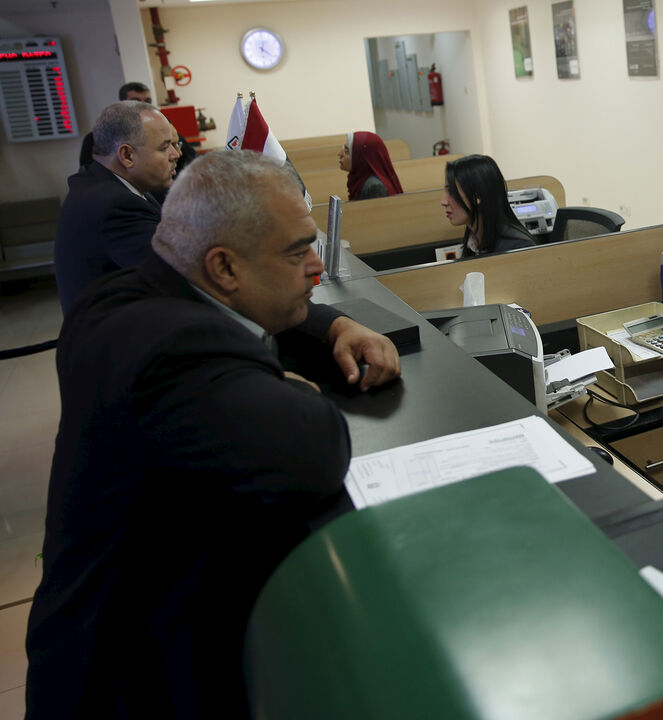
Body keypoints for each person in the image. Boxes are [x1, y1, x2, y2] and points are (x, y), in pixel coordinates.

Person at [26, 151, 401, 719]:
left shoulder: (120, 297)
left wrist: (336, 325)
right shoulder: (174, 353)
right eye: (297, 251)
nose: (316, 270)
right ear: (224, 267)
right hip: (133, 686)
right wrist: (292, 389)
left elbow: (239, 316)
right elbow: (316, 449)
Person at [55, 100, 182, 311]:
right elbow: (176, 274)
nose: (176, 154)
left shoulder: (102, 184)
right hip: (119, 327)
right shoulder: (114, 205)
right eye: (164, 147)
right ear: (127, 155)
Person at [79, 82, 197, 175]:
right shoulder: (96, 138)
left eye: (148, 101)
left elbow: (192, 161)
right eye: (136, 101)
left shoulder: (166, 130)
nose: (144, 106)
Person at [441, 154, 536, 257]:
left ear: (476, 196)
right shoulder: (474, 241)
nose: (443, 202)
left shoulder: (519, 248)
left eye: (452, 192)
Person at [338, 131, 403, 200]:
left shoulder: (374, 188)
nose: (339, 154)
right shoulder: (357, 179)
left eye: (347, 151)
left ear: (361, 158)